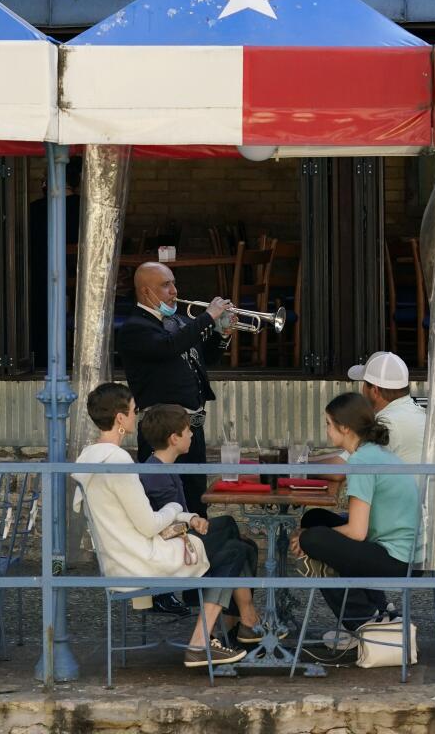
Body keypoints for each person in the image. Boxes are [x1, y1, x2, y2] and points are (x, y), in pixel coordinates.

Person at [72, 382, 253, 668]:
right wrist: (176, 509)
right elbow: (148, 524)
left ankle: (233, 628)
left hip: (119, 557)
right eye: (133, 411)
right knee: (234, 550)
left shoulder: (89, 458)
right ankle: (202, 642)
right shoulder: (118, 461)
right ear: (120, 418)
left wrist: (181, 517)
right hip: (140, 559)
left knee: (231, 542)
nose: (136, 416)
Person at [140, 403, 271, 643]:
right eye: (187, 430)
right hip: (173, 546)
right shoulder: (155, 474)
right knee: (240, 547)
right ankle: (246, 618)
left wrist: (192, 519)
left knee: (242, 539)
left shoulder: (160, 467)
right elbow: (163, 526)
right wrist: (191, 522)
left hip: (181, 538)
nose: (192, 434)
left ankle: (239, 622)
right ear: (173, 438)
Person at [291, 392, 421, 633]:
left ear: (345, 428)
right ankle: (380, 607)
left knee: (313, 539)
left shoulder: (361, 462)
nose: (327, 431)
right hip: (401, 549)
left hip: (398, 559)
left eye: (328, 424)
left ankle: (363, 620)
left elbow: (357, 532)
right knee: (314, 519)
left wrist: (305, 537)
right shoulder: (373, 453)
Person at [115, 261, 234, 516]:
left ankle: (196, 549)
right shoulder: (134, 328)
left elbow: (204, 358)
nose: (174, 291)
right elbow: (169, 347)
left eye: (173, 283)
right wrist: (207, 317)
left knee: (195, 498)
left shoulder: (178, 322)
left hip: (191, 427)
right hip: (161, 429)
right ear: (146, 292)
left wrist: (221, 333)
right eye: (166, 285)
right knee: (166, 500)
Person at [313, 351, 426, 467]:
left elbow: (344, 467)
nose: (362, 390)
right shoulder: (420, 414)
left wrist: (301, 467)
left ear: (375, 391)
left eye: (364, 384)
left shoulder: (386, 422)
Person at [28, 156, 82, 369]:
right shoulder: (87, 209)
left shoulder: (35, 210)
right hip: (82, 287)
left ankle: (44, 360)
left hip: (41, 282)